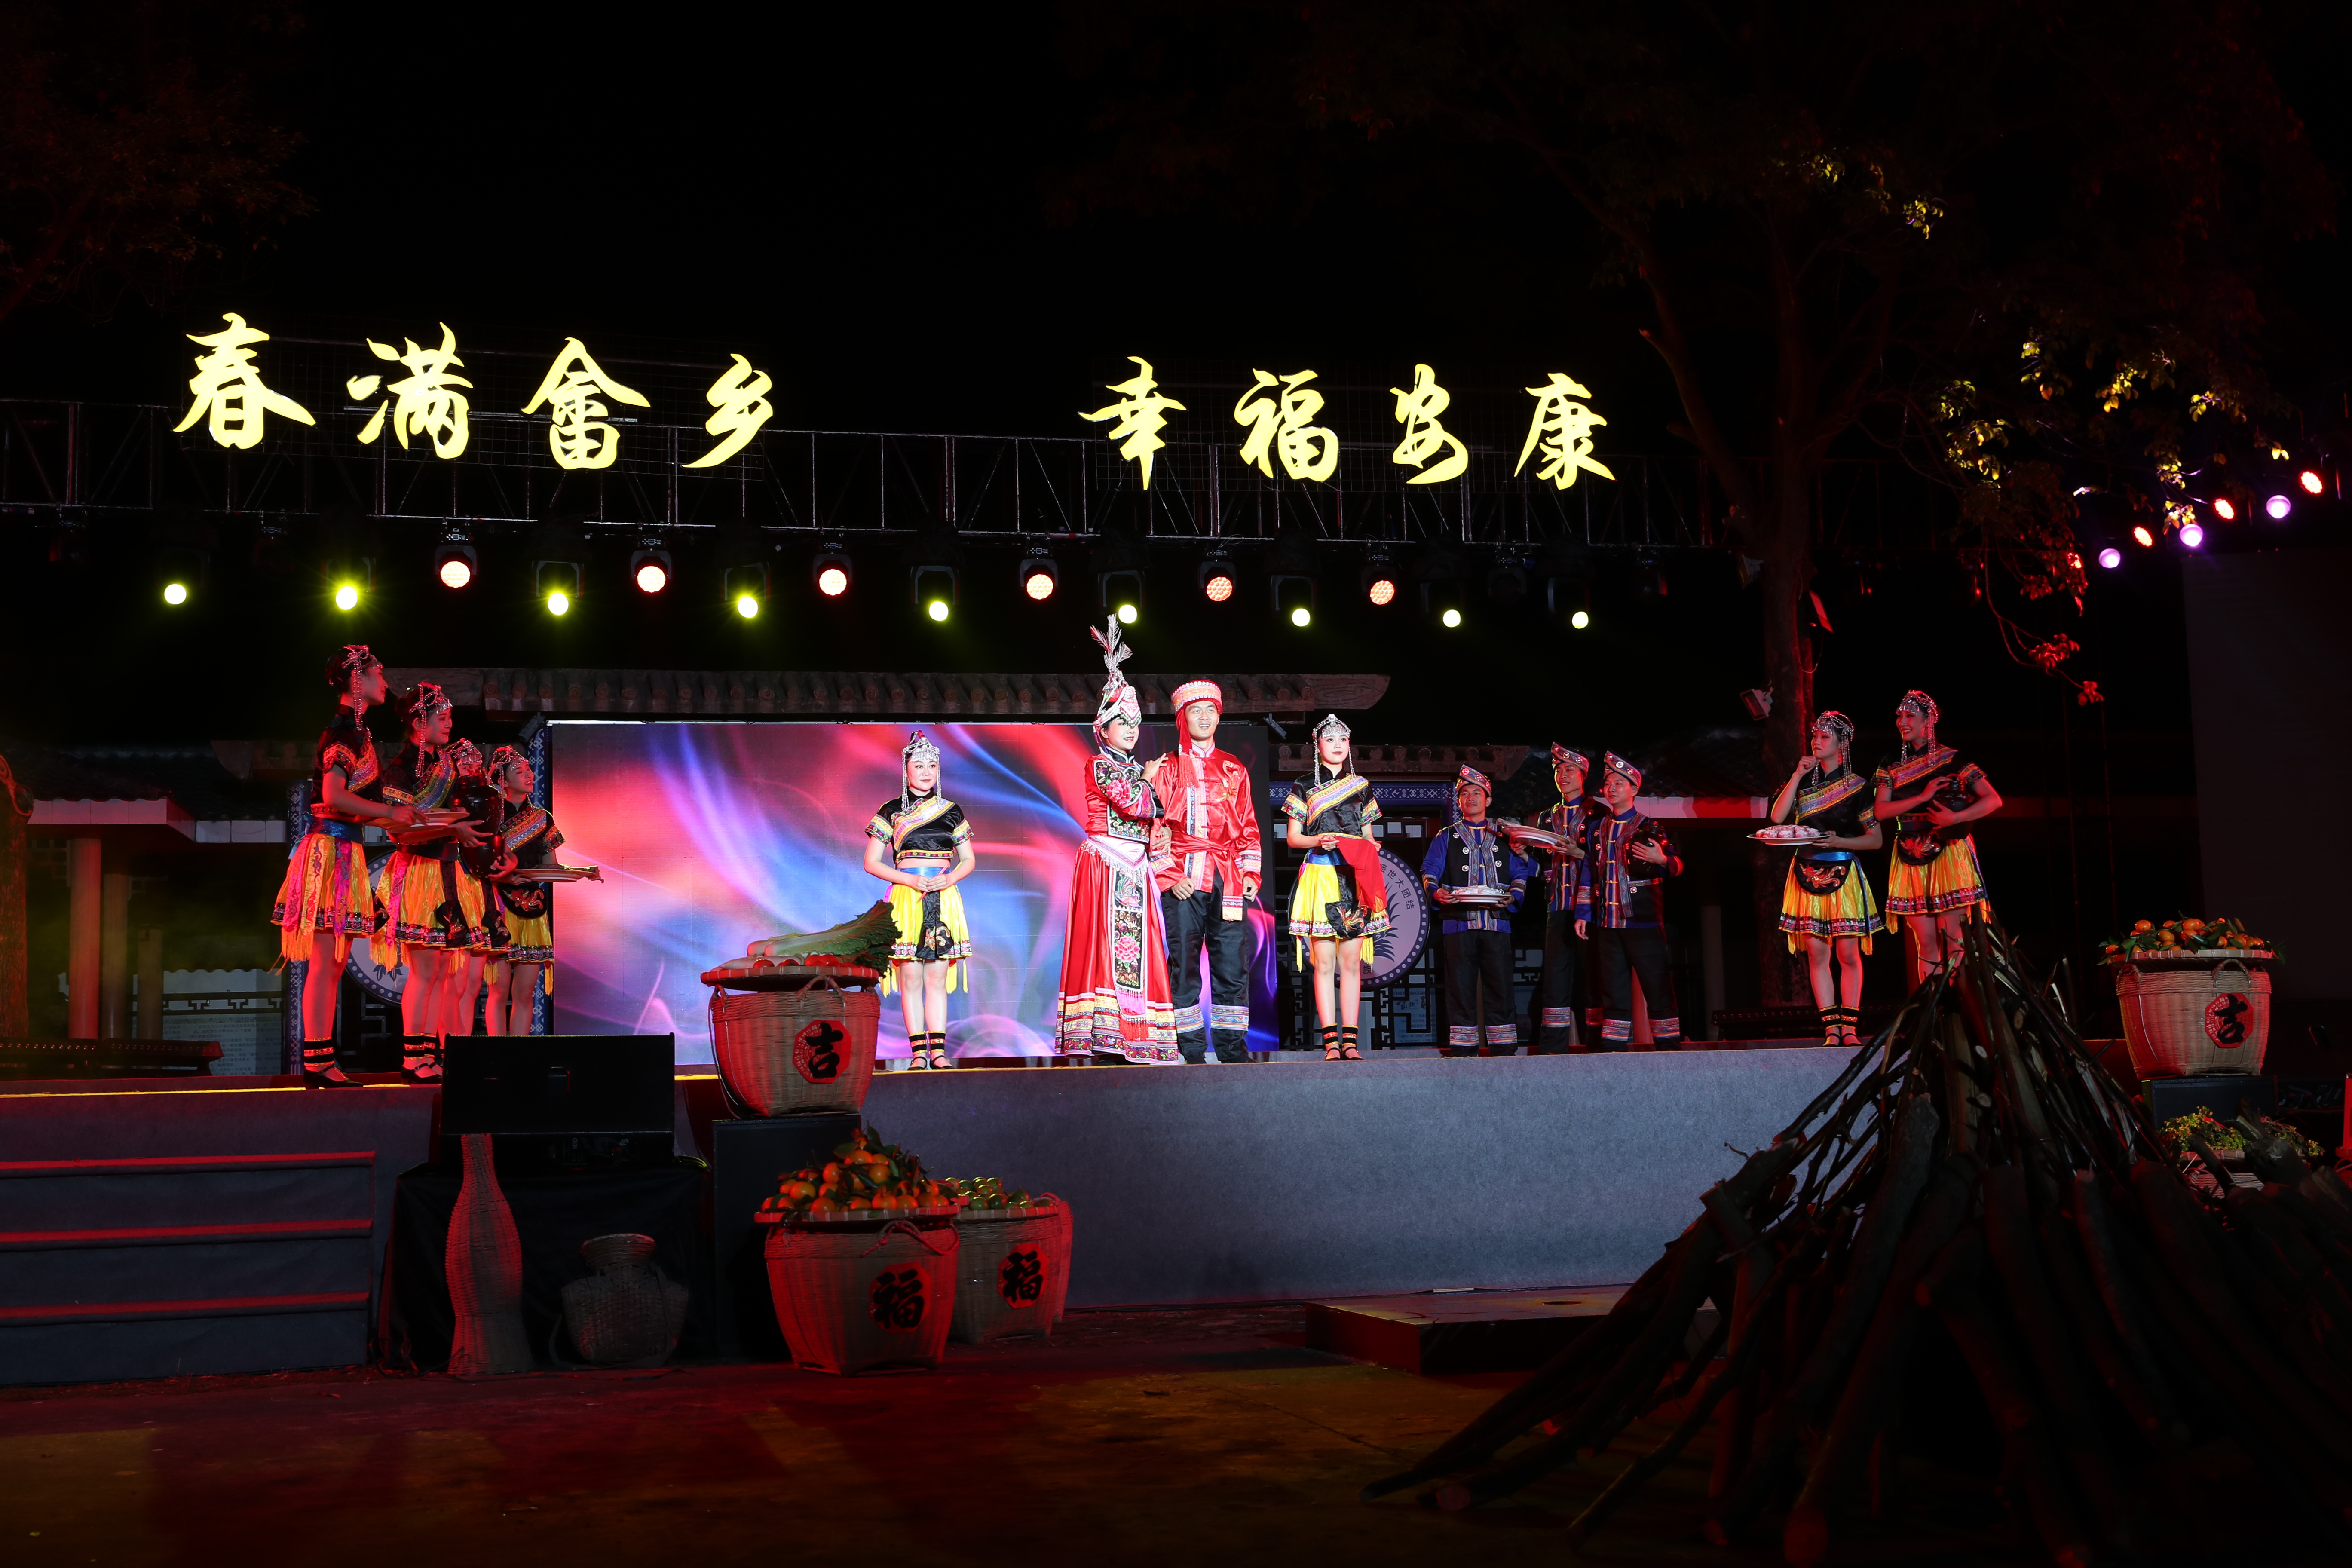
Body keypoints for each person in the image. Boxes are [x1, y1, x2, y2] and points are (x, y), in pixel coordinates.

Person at [270, 645, 416, 1086]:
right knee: (324, 963)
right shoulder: (345, 731)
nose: (385, 682)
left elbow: (351, 805)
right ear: (358, 679)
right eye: (378, 673)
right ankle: (317, 1063)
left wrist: (399, 819)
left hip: (345, 850)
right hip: (329, 853)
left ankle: (321, 1061)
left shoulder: (358, 732)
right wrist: (390, 813)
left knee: (331, 964)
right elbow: (333, 796)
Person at [1053, 620, 1179, 1064]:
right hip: (1106, 863)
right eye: (1121, 722)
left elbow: (1158, 815)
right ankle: (1106, 1037)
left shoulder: (1136, 769)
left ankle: (1137, 1037)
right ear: (1103, 728)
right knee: (1105, 950)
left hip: (1135, 867)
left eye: (1135, 723)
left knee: (1139, 952)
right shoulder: (1099, 766)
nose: (1130, 729)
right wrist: (1149, 780)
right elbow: (1135, 804)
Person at [375, 682, 488, 1081]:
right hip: (420, 871)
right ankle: (412, 1059)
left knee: (442, 972)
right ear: (419, 723)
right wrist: (453, 829)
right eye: (442, 718)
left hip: (449, 872)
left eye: (450, 717)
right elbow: (398, 831)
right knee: (425, 972)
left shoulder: (450, 765)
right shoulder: (400, 768)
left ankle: (432, 1055)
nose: (449, 724)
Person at [1146, 681, 1263, 1064]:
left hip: (1228, 876)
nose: (1205, 717)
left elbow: (1248, 826)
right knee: (1184, 965)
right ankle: (1191, 1050)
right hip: (1185, 875)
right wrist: (1169, 875)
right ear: (1182, 718)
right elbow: (1155, 825)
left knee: (1232, 965)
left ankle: (1232, 1050)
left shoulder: (1234, 767)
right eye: (1196, 711)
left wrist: (1250, 874)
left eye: (1211, 710)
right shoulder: (1167, 768)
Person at [1768, 711, 1886, 1045]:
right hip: (1805, 872)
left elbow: (1876, 840)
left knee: (1848, 954)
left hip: (1843, 871)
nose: (1816, 742)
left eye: (1824, 737)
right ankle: (1830, 1030)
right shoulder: (1803, 781)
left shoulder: (1859, 787)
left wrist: (1838, 842)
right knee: (1817, 955)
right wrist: (1796, 775)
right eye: (1814, 736)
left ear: (1842, 743)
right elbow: (1777, 817)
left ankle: (1850, 1028)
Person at [1873, 690, 2003, 990]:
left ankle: (1952, 1002)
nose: (1902, 722)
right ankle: (1933, 1005)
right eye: (1899, 716)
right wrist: (1923, 796)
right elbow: (1881, 811)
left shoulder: (1953, 759)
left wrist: (1957, 818)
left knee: (1953, 937)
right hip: (1909, 851)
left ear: (1929, 719)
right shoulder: (1890, 763)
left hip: (1948, 850)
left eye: (1910, 716)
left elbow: (1993, 800)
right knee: (1926, 940)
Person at [864, 729, 977, 1069]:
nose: (926, 772)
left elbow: (968, 860)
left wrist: (950, 878)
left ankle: (939, 1053)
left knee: (936, 980)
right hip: (907, 898)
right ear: (906, 770)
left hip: (943, 897)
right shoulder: (891, 811)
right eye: (919, 766)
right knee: (911, 979)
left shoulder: (952, 811)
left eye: (932, 766)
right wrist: (910, 880)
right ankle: (917, 1053)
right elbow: (871, 862)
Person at [1281, 714, 1390, 1061]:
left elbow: (1369, 835)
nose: (1337, 745)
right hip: (1322, 875)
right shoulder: (1303, 786)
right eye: (1330, 740)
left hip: (1354, 877)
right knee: (1325, 963)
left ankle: (1351, 1043)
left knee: (1352, 964)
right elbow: (1294, 838)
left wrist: (1372, 847)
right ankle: (1331, 1043)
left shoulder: (1361, 785)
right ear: (1318, 746)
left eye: (1342, 739)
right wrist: (1318, 840)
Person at [481, 745, 598, 1037]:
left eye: (529, 770)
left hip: (532, 908)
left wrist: (582, 872)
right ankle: (497, 1054)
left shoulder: (543, 818)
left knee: (525, 994)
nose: (529, 775)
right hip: (497, 905)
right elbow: (480, 863)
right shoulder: (489, 816)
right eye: (519, 771)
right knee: (498, 991)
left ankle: (520, 1055)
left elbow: (551, 866)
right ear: (502, 780)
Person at [1574, 752, 1686, 1049]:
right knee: (1612, 990)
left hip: (1644, 921)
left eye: (1619, 784)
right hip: (1607, 923)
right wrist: (1583, 913)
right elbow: (1588, 872)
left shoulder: (1650, 827)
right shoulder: (1597, 829)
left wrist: (1661, 859)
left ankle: (1670, 1049)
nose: (1611, 789)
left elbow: (1677, 865)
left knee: (1657, 985)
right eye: (1608, 784)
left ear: (1634, 790)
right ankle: (1613, 1052)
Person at [1421, 765, 1531, 1056]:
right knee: (1460, 986)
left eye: (1477, 793)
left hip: (1497, 923)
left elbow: (1521, 873)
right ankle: (1463, 1048)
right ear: (1459, 801)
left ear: (1489, 800)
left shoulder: (1506, 836)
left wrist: (1513, 897)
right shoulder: (1446, 836)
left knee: (1501, 985)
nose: (1471, 798)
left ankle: (1504, 1047)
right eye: (1465, 794)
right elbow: (1430, 872)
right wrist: (1437, 893)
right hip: (1458, 923)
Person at [1519, 744, 1592, 1054]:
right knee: (1555, 979)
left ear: (1583, 775)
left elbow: (1610, 863)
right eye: (1558, 770)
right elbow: (1542, 868)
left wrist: (1580, 853)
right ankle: (1553, 1051)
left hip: (1591, 909)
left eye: (1569, 770)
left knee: (1591, 978)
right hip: (1558, 906)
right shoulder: (1548, 818)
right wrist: (1524, 854)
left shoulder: (1599, 814)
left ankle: (1599, 1047)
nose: (1563, 775)